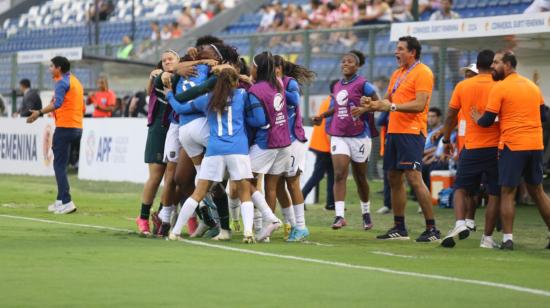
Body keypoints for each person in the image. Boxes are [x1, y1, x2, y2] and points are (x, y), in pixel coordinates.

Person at [362, 36, 441, 242]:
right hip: (394, 131)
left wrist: (392, 107)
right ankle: (399, 227)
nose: (396, 52)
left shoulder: (423, 72)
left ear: (412, 52)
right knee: (393, 178)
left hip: (412, 131)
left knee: (414, 178)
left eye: (400, 49)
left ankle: (432, 229)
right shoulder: (398, 73)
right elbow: (386, 101)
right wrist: (368, 105)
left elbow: (420, 104)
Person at [167, 67, 257, 243]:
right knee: (244, 193)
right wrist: (247, 79)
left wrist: (170, 94)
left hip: (215, 150)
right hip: (238, 150)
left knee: (198, 193)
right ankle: (248, 232)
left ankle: (175, 231)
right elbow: (254, 96)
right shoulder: (242, 95)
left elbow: (180, 108)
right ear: (235, 82)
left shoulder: (207, 99)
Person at [473, 51, 550, 250]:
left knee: (507, 192)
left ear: (507, 65)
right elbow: (544, 115)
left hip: (513, 145)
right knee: (538, 192)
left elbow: (487, 120)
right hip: (535, 145)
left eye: (496, 63)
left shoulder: (500, 87)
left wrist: (476, 119)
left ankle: (508, 239)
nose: (492, 66)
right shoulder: (532, 86)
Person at [439, 50, 501, 249]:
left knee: (460, 188)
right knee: (494, 193)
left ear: (477, 64)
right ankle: (488, 239)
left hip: (471, 146)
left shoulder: (463, 85)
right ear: (492, 66)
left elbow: (450, 115)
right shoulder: (499, 86)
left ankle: (460, 224)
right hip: (496, 147)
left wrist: (447, 138)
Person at [312, 50, 378, 231]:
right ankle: (339, 216)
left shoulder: (364, 84)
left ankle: (366, 212)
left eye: (349, 62)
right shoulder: (337, 86)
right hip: (339, 134)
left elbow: (377, 103)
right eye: (343, 62)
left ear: (357, 66)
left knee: (360, 177)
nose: (345, 64)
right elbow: (336, 106)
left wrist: (364, 110)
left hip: (359, 136)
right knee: (340, 174)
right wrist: (322, 116)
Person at [26, 56, 84, 215]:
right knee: (62, 165)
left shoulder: (61, 83)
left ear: (58, 68)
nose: (49, 69)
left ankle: (67, 201)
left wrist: (38, 112)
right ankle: (60, 201)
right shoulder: (75, 82)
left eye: (51, 66)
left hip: (65, 127)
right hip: (77, 127)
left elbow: (57, 103)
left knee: (59, 165)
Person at [135, 51, 179, 235]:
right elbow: (154, 86)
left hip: (177, 129)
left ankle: (162, 216)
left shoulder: (181, 77)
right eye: (164, 59)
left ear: (179, 61)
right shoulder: (157, 76)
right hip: (159, 130)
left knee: (173, 179)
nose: (167, 61)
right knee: (156, 176)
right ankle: (143, 217)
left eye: (171, 58)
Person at [273, 55, 316, 242]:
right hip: (278, 141)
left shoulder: (289, 83)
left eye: (275, 67)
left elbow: (294, 101)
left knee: (292, 182)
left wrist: (278, 86)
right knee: (277, 183)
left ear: (281, 68)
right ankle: (290, 224)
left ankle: (301, 226)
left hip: (293, 140)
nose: (273, 71)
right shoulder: (266, 84)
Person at [302, 80, 337, 211]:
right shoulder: (332, 103)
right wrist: (334, 148)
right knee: (318, 175)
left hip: (321, 143)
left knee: (332, 174)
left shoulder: (327, 100)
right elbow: (328, 127)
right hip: (325, 145)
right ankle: (301, 197)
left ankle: (330, 203)